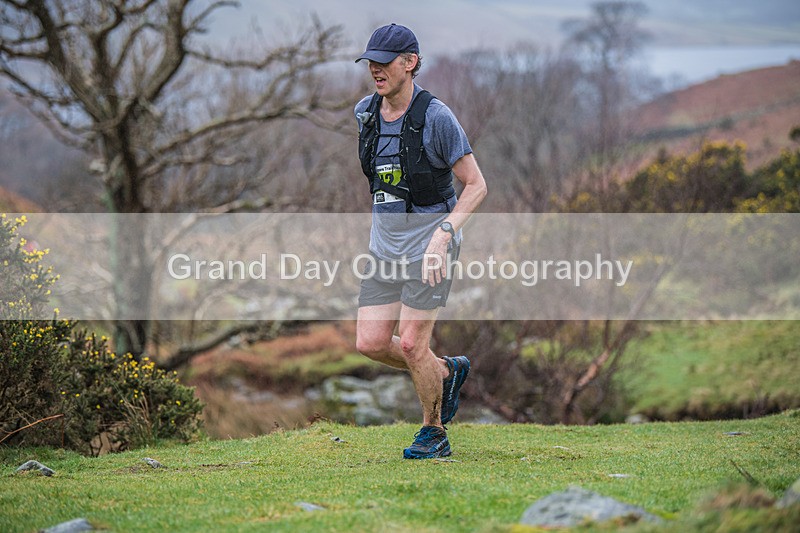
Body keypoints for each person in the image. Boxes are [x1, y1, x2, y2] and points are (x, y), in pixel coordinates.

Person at [353, 23, 488, 459]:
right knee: (371, 343)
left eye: (384, 62)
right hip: (384, 250)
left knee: (412, 343)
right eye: (370, 62)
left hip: (430, 248)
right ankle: (445, 371)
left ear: (410, 63)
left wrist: (444, 235)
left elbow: (476, 185)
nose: (375, 70)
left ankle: (434, 433)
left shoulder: (436, 118)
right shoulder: (365, 114)